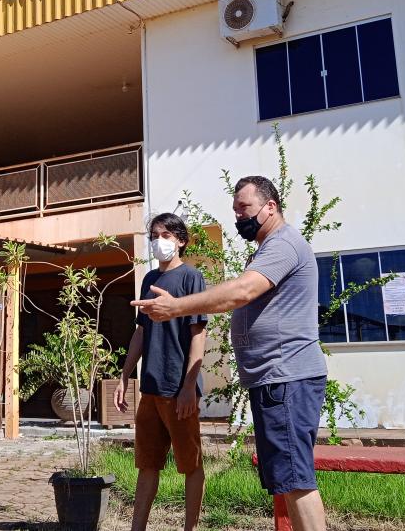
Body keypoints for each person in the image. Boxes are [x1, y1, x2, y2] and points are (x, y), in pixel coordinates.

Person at [132, 177, 328, 531]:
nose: (238, 216)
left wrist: (176, 307)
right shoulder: (268, 247)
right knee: (287, 479)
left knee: (296, 478)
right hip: (273, 379)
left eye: (245, 208)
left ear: (271, 206)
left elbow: (241, 291)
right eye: (235, 209)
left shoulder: (283, 244)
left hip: (286, 376)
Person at [115, 212, 207, 531]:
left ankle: (189, 528)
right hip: (151, 388)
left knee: (190, 464)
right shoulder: (149, 279)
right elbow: (141, 331)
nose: (159, 241)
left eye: (166, 235)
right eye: (155, 235)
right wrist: (126, 375)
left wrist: (189, 386)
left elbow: (199, 333)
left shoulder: (191, 278)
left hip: (179, 389)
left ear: (181, 240)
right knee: (147, 464)